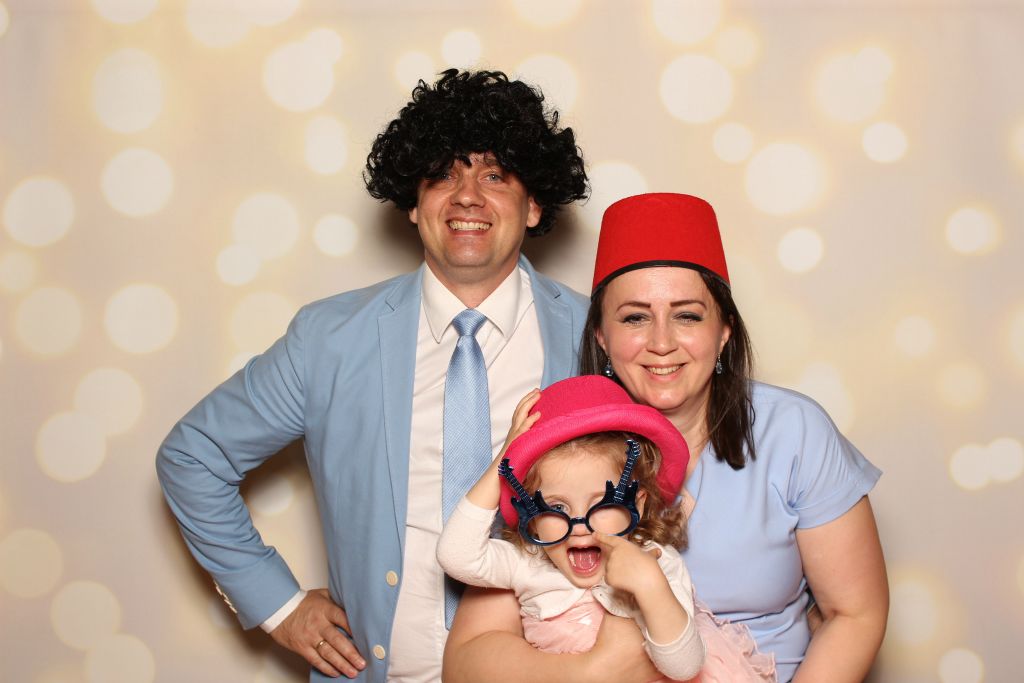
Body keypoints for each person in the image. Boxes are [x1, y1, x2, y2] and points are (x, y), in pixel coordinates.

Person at [156, 69, 591, 682]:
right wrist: (277, 605)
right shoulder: (329, 339)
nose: (467, 197)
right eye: (443, 175)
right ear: (413, 203)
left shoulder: (596, 335)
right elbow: (193, 456)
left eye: (495, 175)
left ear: (535, 202)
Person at [444, 193, 888, 683]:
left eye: (687, 315)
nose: (661, 342)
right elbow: (468, 659)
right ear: (601, 337)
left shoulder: (795, 432)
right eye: (634, 317)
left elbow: (854, 614)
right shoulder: (561, 441)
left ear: (724, 331)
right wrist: (594, 670)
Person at [437, 374, 778, 682]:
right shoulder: (527, 563)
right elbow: (455, 555)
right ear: (533, 516)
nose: (579, 527)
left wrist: (651, 589)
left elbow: (685, 667)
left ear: (638, 504)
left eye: (601, 503)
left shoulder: (656, 563)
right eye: (557, 507)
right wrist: (504, 461)